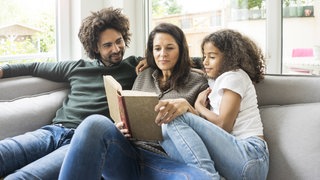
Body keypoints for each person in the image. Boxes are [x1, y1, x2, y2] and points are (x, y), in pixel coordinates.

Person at [0, 7, 147, 179]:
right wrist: (3, 70)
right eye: (107, 45)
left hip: (82, 143)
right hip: (53, 132)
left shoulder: (134, 67)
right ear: (95, 47)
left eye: (119, 41)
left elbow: (180, 61)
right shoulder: (76, 67)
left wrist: (152, 60)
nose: (116, 49)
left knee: (21, 178)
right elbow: (34, 67)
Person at [58, 23, 212, 180]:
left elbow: (208, 131)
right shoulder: (143, 75)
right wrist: (121, 126)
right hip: (127, 152)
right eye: (157, 49)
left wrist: (188, 108)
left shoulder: (199, 82)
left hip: (164, 160)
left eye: (170, 48)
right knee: (94, 123)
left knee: (199, 178)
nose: (162, 54)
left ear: (181, 50)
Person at [162, 29, 270, 179]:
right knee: (164, 132)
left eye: (211, 57)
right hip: (236, 158)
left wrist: (197, 106)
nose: (205, 62)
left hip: (250, 155)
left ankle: (206, 177)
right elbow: (209, 128)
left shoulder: (234, 76)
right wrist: (152, 62)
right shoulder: (218, 80)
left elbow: (224, 125)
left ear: (229, 58)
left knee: (174, 117)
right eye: (204, 56)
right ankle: (202, 175)